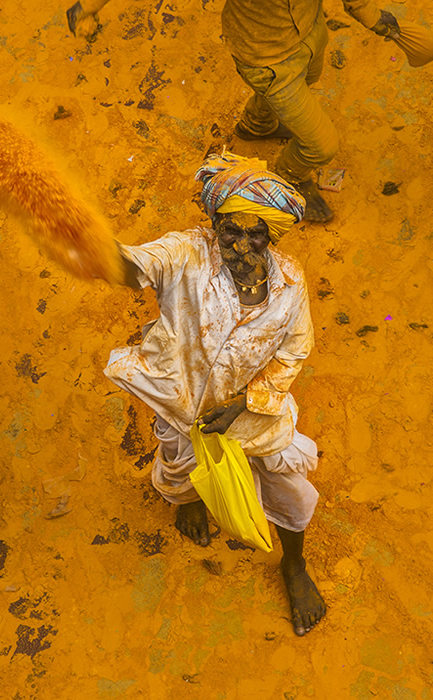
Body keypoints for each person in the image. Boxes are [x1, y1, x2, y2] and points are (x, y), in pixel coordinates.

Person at [104, 151, 325, 635]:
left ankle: (293, 566)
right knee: (182, 464)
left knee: (286, 484)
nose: (241, 245)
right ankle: (190, 504)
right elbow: (136, 264)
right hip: (183, 402)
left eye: (255, 234)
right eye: (231, 231)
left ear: (270, 237)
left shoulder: (289, 284)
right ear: (215, 225)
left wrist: (248, 402)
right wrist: (92, 243)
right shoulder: (186, 254)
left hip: (252, 413)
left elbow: (294, 351)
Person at [66, 0, 399, 223]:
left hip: (310, 35)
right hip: (264, 56)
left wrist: (372, 17)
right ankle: (288, 179)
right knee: (321, 144)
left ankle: (257, 124)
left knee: (306, 83)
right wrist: (87, 7)